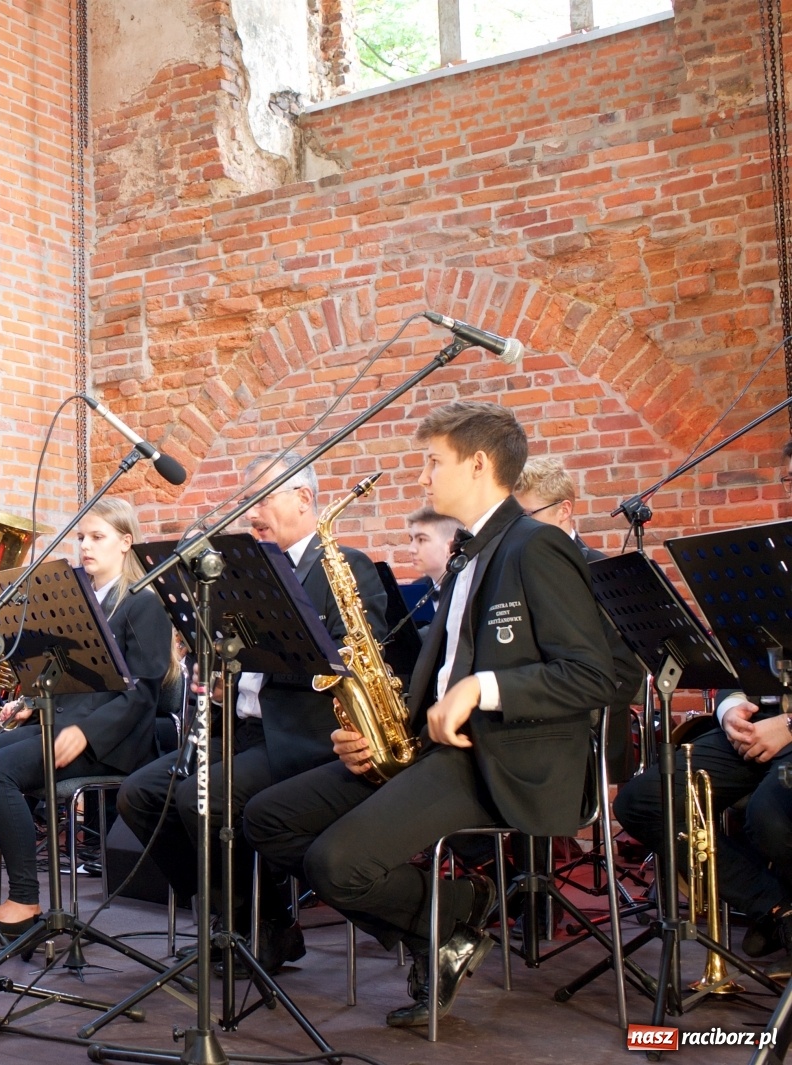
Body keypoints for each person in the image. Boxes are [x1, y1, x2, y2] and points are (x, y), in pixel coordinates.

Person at [244, 401, 616, 1028]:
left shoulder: (538, 546)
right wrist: (378, 735)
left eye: (432, 462)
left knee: (335, 863)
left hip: (503, 758)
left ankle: (456, 910)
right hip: (436, 748)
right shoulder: (471, 554)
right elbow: (439, 674)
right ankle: (442, 923)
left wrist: (482, 690)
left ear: (477, 464)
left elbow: (591, 674)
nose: (423, 477)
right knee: (269, 817)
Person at [116, 458, 388, 972]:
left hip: (301, 736)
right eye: (250, 502)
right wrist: (220, 680)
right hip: (238, 730)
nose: (253, 512)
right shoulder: (247, 572)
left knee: (207, 799)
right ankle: (224, 912)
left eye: (264, 499)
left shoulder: (344, 566)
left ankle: (263, 925)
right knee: (141, 795)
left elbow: (359, 664)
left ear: (304, 501)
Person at [0, 496, 173, 934]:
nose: (85, 546)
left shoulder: (143, 603)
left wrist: (87, 731)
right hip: (65, 724)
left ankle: (25, 900)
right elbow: (65, 676)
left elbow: (142, 694)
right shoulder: (78, 599)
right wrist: (30, 706)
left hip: (111, 741)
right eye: (81, 537)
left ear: (126, 542)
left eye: (97, 537)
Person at [614, 440, 792, 957]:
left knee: (770, 813)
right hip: (759, 725)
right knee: (644, 801)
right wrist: (730, 705)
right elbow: (741, 655)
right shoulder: (773, 561)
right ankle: (775, 906)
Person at [514, 457, 645, 781]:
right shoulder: (514, 569)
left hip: (583, 722)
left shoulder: (600, 573)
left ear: (564, 510)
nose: (518, 530)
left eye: (528, 516)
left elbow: (625, 673)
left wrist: (548, 709)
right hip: (527, 712)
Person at [408, 506, 462, 585]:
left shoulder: (470, 590)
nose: (411, 549)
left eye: (421, 539)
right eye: (411, 539)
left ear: (451, 547)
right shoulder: (417, 589)